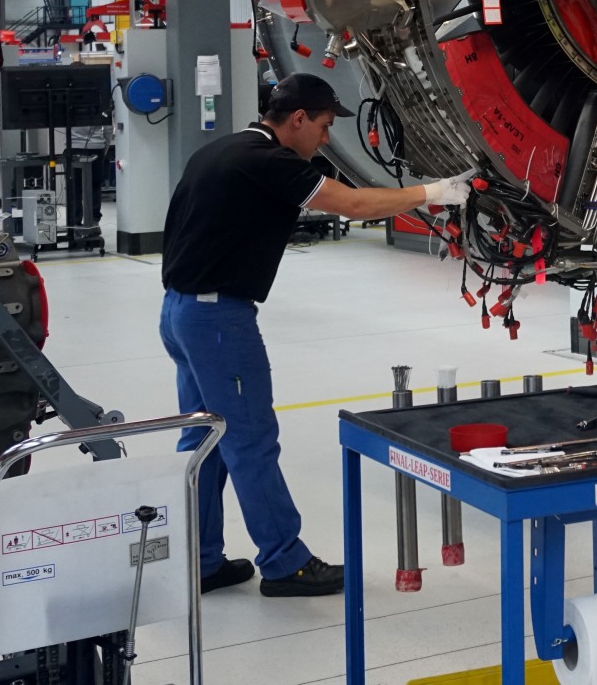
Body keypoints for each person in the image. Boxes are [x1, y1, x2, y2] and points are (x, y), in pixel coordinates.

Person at [159, 72, 472, 596]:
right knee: (250, 440)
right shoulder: (270, 162)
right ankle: (285, 563)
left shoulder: (226, 150)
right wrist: (434, 193)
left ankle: (201, 559)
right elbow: (353, 206)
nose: (326, 138)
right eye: (324, 126)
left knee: (204, 438)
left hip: (180, 312)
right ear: (298, 119)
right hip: (218, 321)